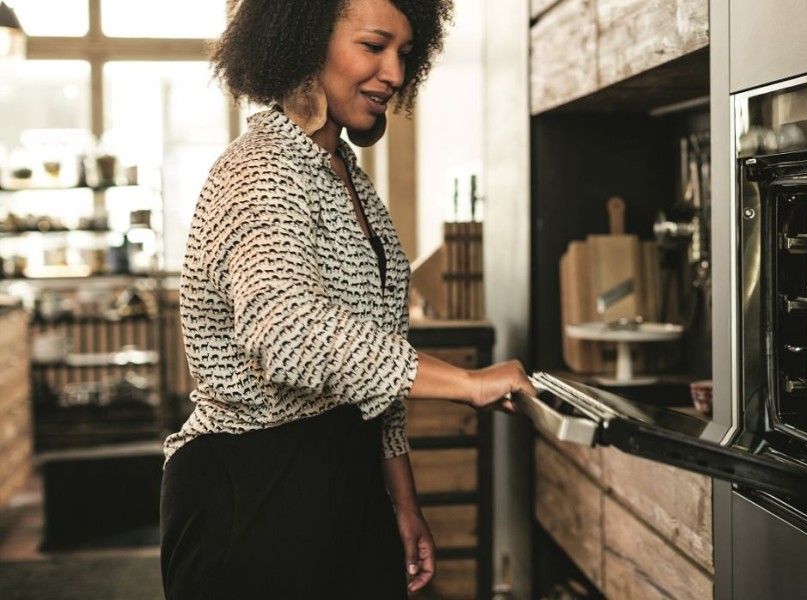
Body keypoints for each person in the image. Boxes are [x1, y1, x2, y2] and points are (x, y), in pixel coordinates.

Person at [159, 0, 536, 598]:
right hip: (253, 488)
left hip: (345, 483)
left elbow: (370, 367)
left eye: (405, 54)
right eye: (373, 46)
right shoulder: (262, 169)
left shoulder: (347, 177)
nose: (394, 73)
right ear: (305, 42)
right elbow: (288, 335)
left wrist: (401, 501)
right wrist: (466, 383)